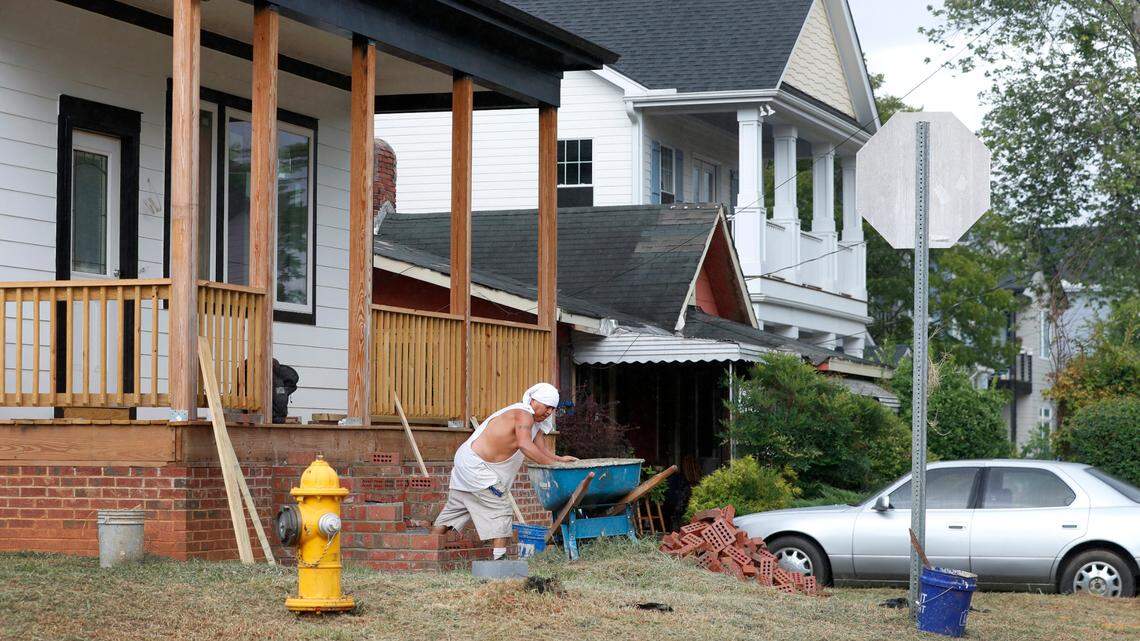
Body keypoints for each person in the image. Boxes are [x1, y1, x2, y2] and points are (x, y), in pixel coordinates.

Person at [431, 382, 577, 560]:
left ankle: (427, 551)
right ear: (533, 401)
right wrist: (554, 465)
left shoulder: (535, 424)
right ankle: (499, 561)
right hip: (476, 466)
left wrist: (560, 460)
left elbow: (541, 450)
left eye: (552, 409)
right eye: (546, 406)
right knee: (500, 507)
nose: (549, 412)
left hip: (470, 462)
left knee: (454, 510)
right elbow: (525, 445)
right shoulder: (523, 414)